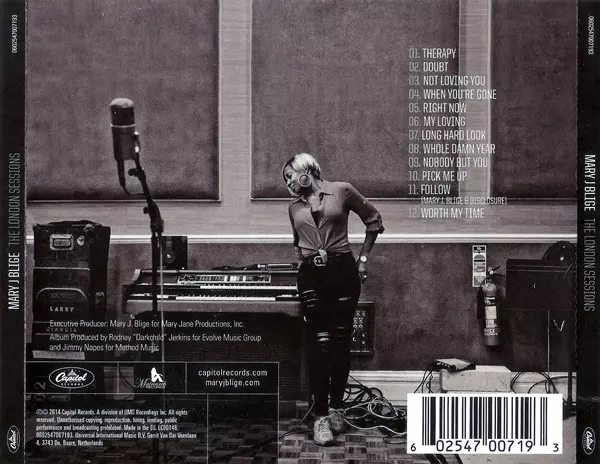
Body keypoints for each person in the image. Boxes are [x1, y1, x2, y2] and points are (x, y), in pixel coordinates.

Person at [282, 153, 384, 446]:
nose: (288, 183)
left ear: (306, 170)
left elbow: (374, 221)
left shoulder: (342, 190)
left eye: (290, 175)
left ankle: (337, 408)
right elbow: (297, 244)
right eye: (285, 179)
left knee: (340, 342)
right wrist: (306, 269)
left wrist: (363, 260)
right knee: (319, 343)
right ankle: (321, 417)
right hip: (312, 277)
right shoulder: (294, 207)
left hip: (343, 272)